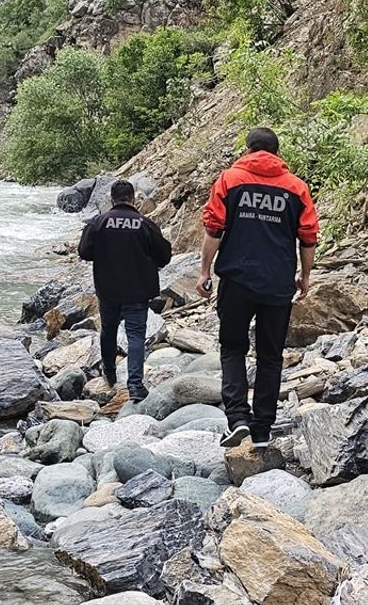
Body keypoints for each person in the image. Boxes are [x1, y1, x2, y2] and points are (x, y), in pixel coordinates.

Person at [199, 127, 318, 448]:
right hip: (278, 283)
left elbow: (214, 228)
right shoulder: (296, 188)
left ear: (248, 150)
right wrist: (304, 276)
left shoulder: (229, 180)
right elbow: (308, 236)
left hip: (236, 281)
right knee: (270, 356)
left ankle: (237, 418)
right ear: (277, 153)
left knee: (233, 348)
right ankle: (263, 429)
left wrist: (204, 272)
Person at [78, 180, 172, 401]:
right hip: (137, 290)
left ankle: (109, 373)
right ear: (133, 199)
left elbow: (84, 252)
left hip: (108, 288)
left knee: (108, 330)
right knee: (136, 335)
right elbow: (164, 256)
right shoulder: (145, 224)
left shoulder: (98, 223)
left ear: (111, 199)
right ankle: (135, 385)